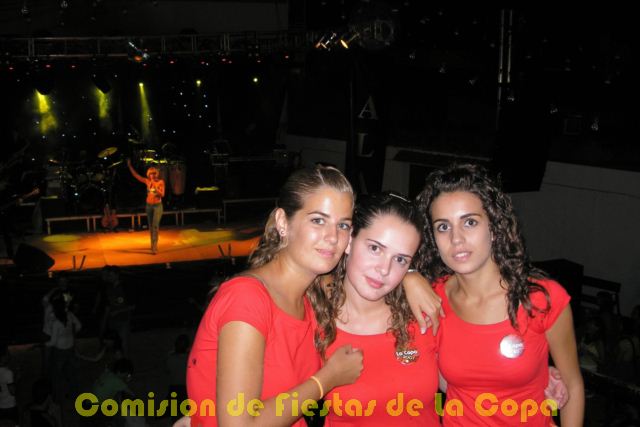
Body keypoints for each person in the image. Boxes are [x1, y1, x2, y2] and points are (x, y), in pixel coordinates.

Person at [185, 165, 364, 427]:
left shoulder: (310, 298)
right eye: (318, 220)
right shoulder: (247, 298)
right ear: (283, 222)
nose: (332, 237)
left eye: (343, 225)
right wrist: (327, 379)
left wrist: (410, 277)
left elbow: (375, 277)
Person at [406, 163, 584, 426]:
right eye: (443, 227)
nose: (456, 238)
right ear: (432, 237)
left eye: (469, 222)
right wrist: (407, 276)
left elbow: (573, 386)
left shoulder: (541, 299)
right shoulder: (431, 299)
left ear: (494, 226)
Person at [308, 191, 439, 425]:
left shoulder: (425, 313)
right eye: (375, 248)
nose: (384, 269)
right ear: (349, 241)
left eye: (400, 259)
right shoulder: (312, 319)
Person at [126, 158, 165, 254]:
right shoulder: (147, 181)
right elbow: (136, 175)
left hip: (157, 206)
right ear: (148, 174)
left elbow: (162, 194)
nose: (152, 175)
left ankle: (155, 246)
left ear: (156, 174)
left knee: (155, 226)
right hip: (149, 206)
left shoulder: (160, 182)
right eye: (151, 174)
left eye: (154, 173)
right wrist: (129, 166)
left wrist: (155, 187)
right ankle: (152, 244)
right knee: (151, 226)